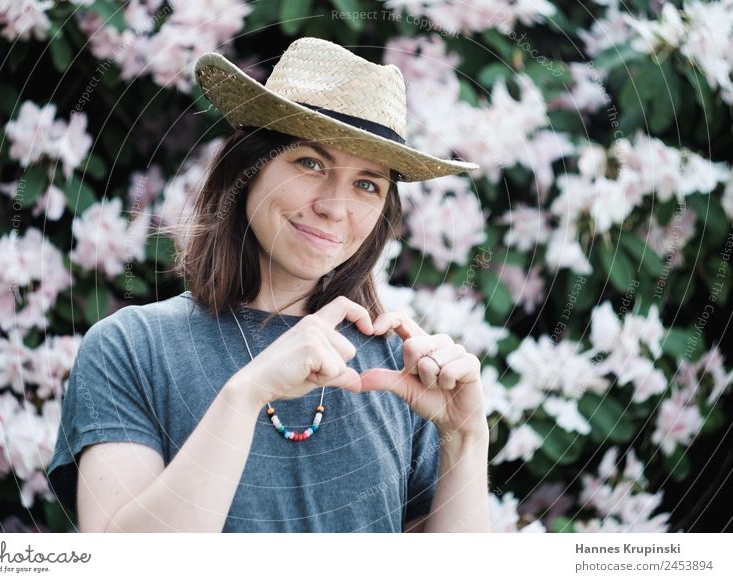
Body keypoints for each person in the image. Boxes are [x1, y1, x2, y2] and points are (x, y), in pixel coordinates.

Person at [46, 37, 490, 533]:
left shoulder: (396, 369)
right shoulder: (131, 348)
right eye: (310, 163)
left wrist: (465, 437)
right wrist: (248, 393)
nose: (334, 206)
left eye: (367, 184)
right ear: (247, 168)